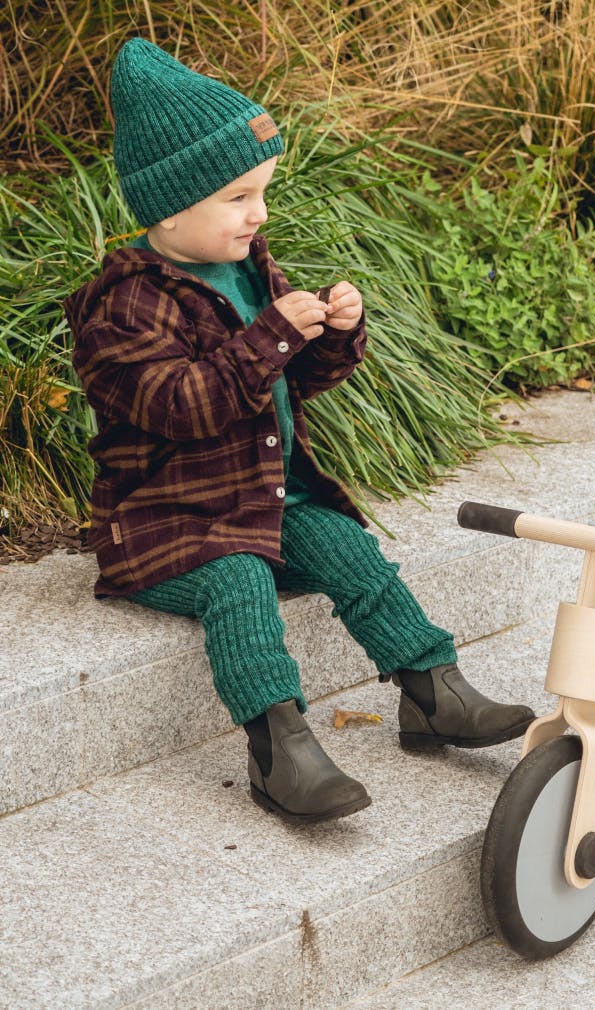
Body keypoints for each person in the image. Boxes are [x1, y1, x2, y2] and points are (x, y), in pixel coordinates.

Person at [65, 38, 534, 825]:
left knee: (349, 551)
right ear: (170, 208)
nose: (261, 214)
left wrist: (332, 335)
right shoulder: (121, 308)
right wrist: (271, 336)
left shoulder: (250, 269)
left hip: (260, 500)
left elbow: (290, 380)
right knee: (239, 580)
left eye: (263, 193)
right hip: (166, 526)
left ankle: (434, 691)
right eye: (240, 198)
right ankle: (281, 747)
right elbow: (185, 405)